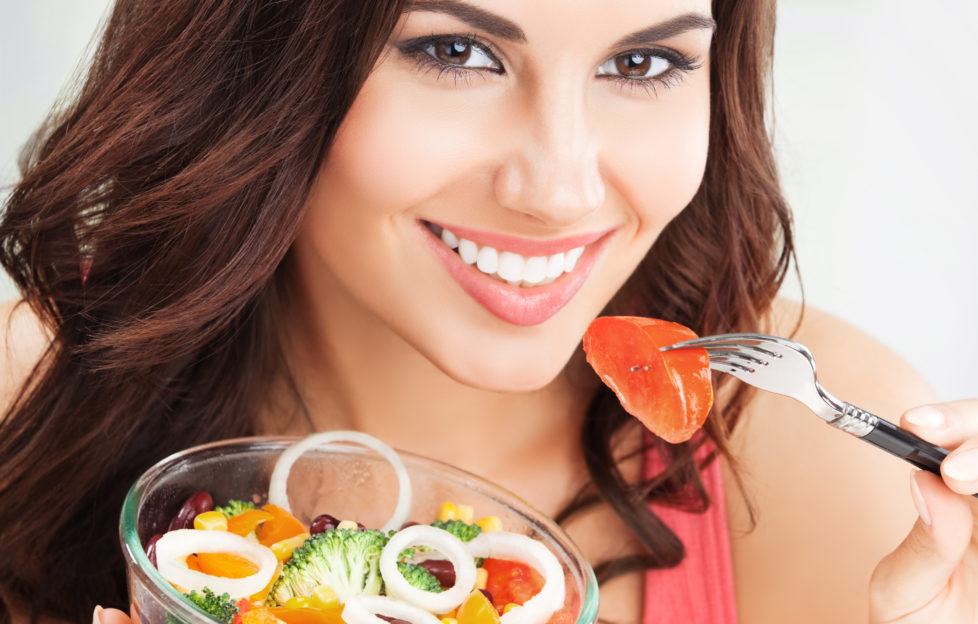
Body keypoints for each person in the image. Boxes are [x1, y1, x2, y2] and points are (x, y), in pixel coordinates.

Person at [1, 1, 975, 623]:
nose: (558, 187)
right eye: (457, 51)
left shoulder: (847, 475)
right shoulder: (25, 404)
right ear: (257, 55)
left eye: (642, 65)